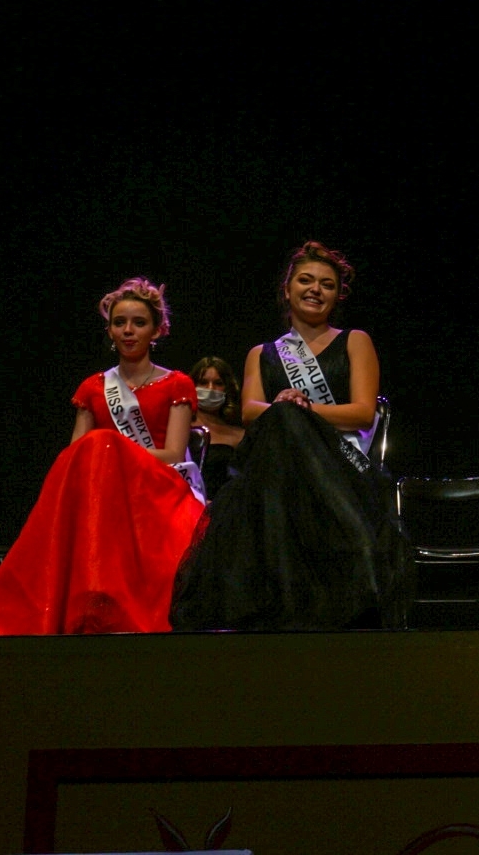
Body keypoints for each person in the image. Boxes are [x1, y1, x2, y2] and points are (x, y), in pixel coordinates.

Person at [171, 241, 412, 631]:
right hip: (280, 468)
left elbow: (362, 412)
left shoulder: (355, 341)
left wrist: (300, 409)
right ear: (287, 289)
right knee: (280, 427)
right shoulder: (262, 353)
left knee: (285, 417)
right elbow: (250, 412)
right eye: (306, 280)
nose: (315, 289)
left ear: (338, 295)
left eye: (327, 284)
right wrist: (286, 409)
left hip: (343, 465)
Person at [0, 278, 205, 635]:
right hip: (104, 494)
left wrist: (115, 454)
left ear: (156, 330)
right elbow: (75, 455)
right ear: (109, 330)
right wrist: (107, 456)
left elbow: (172, 453)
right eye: (119, 322)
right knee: (93, 452)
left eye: (139, 323)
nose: (128, 331)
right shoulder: (93, 388)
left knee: (102, 444)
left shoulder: (177, 384)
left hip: (158, 488)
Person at [189, 356, 244, 501]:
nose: (210, 388)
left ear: (228, 387)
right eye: (203, 382)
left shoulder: (240, 435)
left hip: (223, 509)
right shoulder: (177, 428)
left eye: (218, 383)